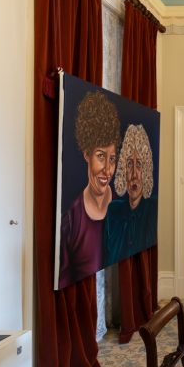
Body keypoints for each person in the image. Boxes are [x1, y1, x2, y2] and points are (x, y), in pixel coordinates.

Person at [58, 91, 121, 290]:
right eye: (101, 156)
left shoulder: (123, 208)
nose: (108, 170)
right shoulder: (71, 223)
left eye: (112, 159)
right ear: (87, 154)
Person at [103, 123, 158, 266]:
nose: (134, 174)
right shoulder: (113, 211)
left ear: (146, 170)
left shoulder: (154, 210)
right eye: (129, 164)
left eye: (139, 164)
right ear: (123, 170)